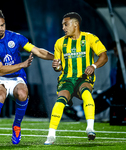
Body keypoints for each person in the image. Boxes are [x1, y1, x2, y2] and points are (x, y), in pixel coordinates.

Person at [0, 9, 54, 146]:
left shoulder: (15, 37)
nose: (0, 29)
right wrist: (22, 64)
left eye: (2, 25)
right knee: (0, 96)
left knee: (22, 93)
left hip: (16, 77)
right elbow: (0, 70)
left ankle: (17, 126)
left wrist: (57, 57)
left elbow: (37, 51)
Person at [44, 12, 108, 145]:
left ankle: (90, 127)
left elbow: (104, 56)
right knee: (60, 100)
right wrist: (56, 66)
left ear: (75, 24)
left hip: (83, 78)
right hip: (66, 79)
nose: (63, 28)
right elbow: (58, 67)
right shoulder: (60, 43)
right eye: (62, 25)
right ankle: (51, 135)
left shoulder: (89, 38)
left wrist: (93, 66)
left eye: (65, 24)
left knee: (86, 93)